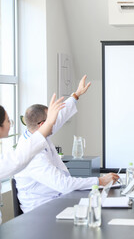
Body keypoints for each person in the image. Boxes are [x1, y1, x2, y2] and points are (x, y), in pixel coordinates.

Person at [14, 75, 119, 213]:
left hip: (55, 199)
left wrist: (76, 95)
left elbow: (60, 117)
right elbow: (63, 184)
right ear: (42, 124)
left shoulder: (36, 133)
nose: (55, 121)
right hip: (41, 210)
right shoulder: (32, 154)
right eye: (52, 118)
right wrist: (100, 181)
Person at [0, 94, 65, 224]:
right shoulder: (23, 148)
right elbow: (20, 158)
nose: (10, 124)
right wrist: (49, 122)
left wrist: (75, 96)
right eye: (8, 121)